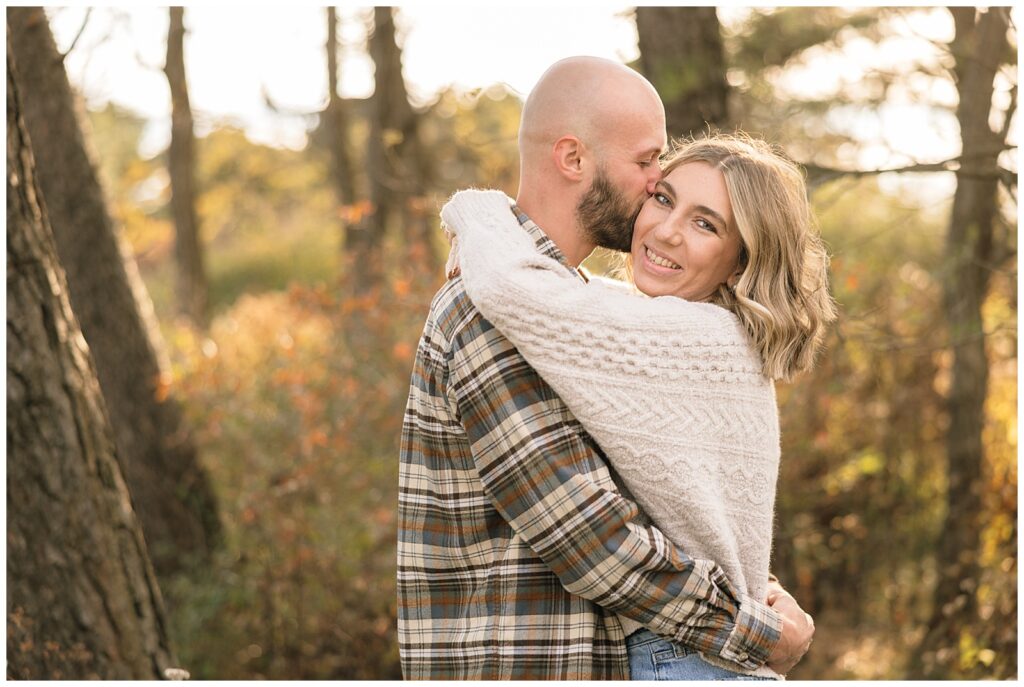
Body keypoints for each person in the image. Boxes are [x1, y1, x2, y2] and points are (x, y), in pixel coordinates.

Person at [398, 56, 815, 680]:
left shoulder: (587, 317)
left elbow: (668, 499)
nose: (655, 184)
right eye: (649, 163)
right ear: (573, 160)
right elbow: (593, 539)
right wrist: (757, 632)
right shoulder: (495, 311)